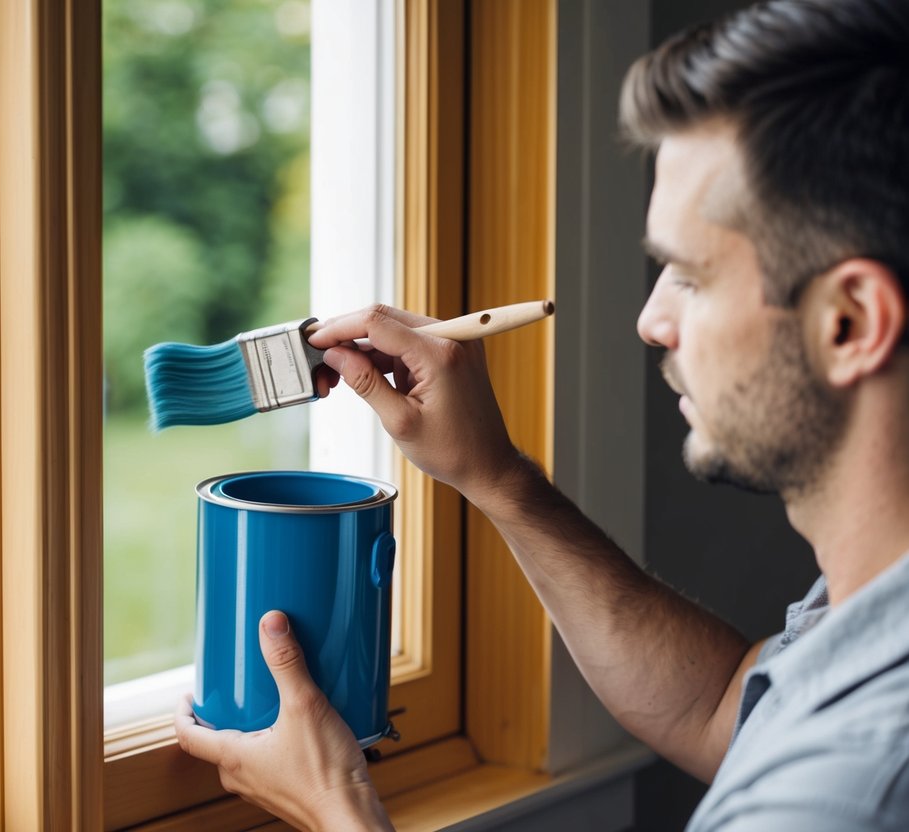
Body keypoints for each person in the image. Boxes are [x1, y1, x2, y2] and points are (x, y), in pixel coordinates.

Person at [174, 0, 909, 828]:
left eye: (690, 277)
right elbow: (722, 711)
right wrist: (496, 478)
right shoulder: (875, 612)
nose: (650, 321)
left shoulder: (846, 790)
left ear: (849, 323)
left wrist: (336, 807)